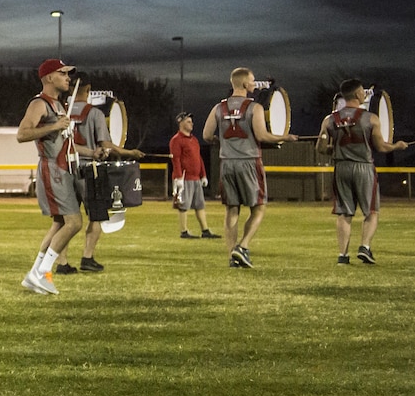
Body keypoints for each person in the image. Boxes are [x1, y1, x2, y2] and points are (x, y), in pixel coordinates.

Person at [202, 67, 297, 268]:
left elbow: (206, 135)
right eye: (252, 81)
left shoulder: (218, 108)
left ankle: (231, 255)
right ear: (245, 84)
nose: (254, 84)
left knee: (232, 210)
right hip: (249, 161)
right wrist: (284, 137)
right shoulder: (254, 108)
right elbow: (262, 136)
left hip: (227, 163)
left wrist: (222, 142)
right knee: (259, 207)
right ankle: (242, 246)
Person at [58, 76, 146, 273]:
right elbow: (105, 145)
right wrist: (129, 153)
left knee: (65, 221)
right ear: (87, 88)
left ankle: (62, 263)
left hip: (65, 170)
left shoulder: (60, 112)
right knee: (96, 217)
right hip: (90, 170)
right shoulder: (94, 113)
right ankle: (87, 258)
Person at [315, 79, 408, 264]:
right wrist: (397, 146)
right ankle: (364, 247)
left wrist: (334, 149)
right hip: (364, 167)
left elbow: (321, 147)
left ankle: (343, 255)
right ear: (358, 95)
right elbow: (381, 147)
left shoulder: (330, 119)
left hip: (341, 167)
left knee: (344, 213)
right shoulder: (371, 118)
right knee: (371, 211)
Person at [15, 59, 85, 294]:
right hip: (52, 169)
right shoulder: (40, 103)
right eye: (63, 73)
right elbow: (22, 134)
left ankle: (34, 273)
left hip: (63, 168)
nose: (68, 78)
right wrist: (53, 127)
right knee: (74, 223)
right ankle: (42, 272)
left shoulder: (58, 104)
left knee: (59, 223)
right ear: (48, 78)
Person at [169, 111, 221, 239]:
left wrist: (203, 175)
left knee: (200, 205)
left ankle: (205, 230)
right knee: (183, 206)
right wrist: (178, 177)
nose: (191, 124)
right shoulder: (176, 140)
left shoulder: (194, 139)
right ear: (180, 123)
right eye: (188, 121)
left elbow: (199, 158)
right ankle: (184, 231)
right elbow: (176, 159)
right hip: (184, 178)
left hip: (196, 178)